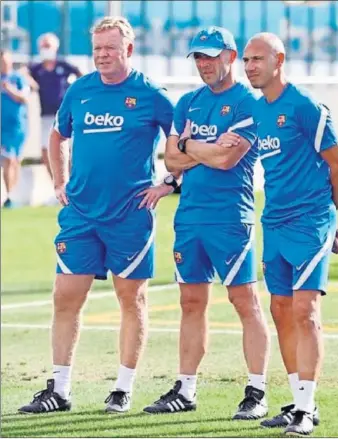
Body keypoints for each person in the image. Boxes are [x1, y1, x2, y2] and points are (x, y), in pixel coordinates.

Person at [18, 16, 174, 414]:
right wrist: (59, 180)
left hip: (131, 216)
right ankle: (60, 388)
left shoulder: (151, 95)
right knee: (65, 297)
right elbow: (57, 135)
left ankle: (122, 388)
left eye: (110, 48)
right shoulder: (80, 91)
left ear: (129, 51)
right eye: (97, 49)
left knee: (131, 299)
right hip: (81, 215)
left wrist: (169, 183)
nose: (102, 56)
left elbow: (184, 140)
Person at [143, 26, 271, 421]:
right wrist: (198, 149)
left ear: (231, 57)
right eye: (198, 57)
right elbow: (171, 162)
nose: (204, 64)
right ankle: (185, 388)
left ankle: (257, 390)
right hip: (190, 217)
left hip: (232, 218)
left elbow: (225, 160)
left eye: (211, 56)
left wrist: (187, 145)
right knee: (191, 302)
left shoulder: (250, 102)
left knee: (244, 301)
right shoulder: (187, 103)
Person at [242, 33, 338, 435]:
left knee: (305, 312)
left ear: (279, 60)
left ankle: (306, 409)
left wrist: (329, 217)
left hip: (310, 222)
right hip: (274, 222)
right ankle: (297, 400)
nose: (251, 66)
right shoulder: (257, 112)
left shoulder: (305, 107)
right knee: (281, 311)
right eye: (247, 60)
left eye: (258, 59)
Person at [28, 32, 82, 199]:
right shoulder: (36, 68)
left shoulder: (64, 65)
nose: (46, 49)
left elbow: (81, 74)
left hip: (65, 114)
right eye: (44, 46)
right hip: (45, 116)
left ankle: (73, 185)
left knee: (68, 150)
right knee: (47, 152)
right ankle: (58, 186)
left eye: (49, 46)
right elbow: (23, 73)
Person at [1, 50, 29, 208]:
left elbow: (24, 98)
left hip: (18, 127)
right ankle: (8, 196)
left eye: (6, 61)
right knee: (8, 159)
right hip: (2, 128)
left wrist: (9, 89)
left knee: (16, 161)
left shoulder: (18, 79)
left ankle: (12, 194)